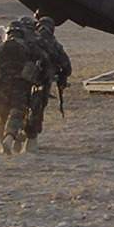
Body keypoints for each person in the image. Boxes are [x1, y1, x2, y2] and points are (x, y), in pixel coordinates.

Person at [0, 20, 49, 155]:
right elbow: (44, 59)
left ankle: (5, 141)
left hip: (2, 85)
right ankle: (9, 138)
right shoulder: (28, 46)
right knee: (17, 111)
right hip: (20, 84)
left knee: (3, 115)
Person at [26, 16, 73, 151]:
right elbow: (66, 64)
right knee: (37, 110)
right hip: (43, 81)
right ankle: (31, 141)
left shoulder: (29, 39)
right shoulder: (53, 43)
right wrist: (63, 76)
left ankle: (16, 135)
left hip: (23, 80)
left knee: (19, 107)